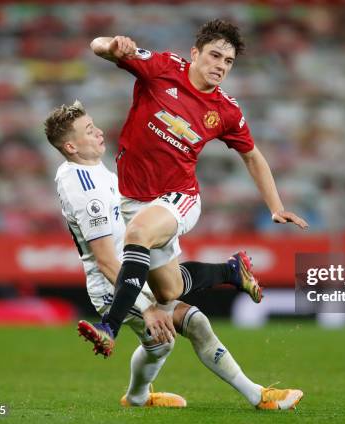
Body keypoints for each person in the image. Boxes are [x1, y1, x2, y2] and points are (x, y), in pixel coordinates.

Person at [44, 101, 304, 410]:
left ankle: (138, 397)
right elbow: (106, 261)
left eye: (94, 125)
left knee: (163, 328)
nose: (99, 131)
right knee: (190, 324)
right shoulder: (87, 193)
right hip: (115, 287)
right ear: (71, 146)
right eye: (89, 130)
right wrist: (148, 308)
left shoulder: (84, 169)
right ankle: (258, 396)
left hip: (134, 266)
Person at [81, 19, 308, 355]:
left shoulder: (226, 111)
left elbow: (253, 156)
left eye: (228, 62)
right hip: (132, 197)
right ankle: (231, 271)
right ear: (195, 53)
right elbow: (97, 46)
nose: (220, 66)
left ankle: (109, 328)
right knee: (168, 292)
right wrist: (112, 45)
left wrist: (276, 207)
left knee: (138, 234)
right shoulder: (162, 68)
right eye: (215, 56)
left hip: (179, 198)